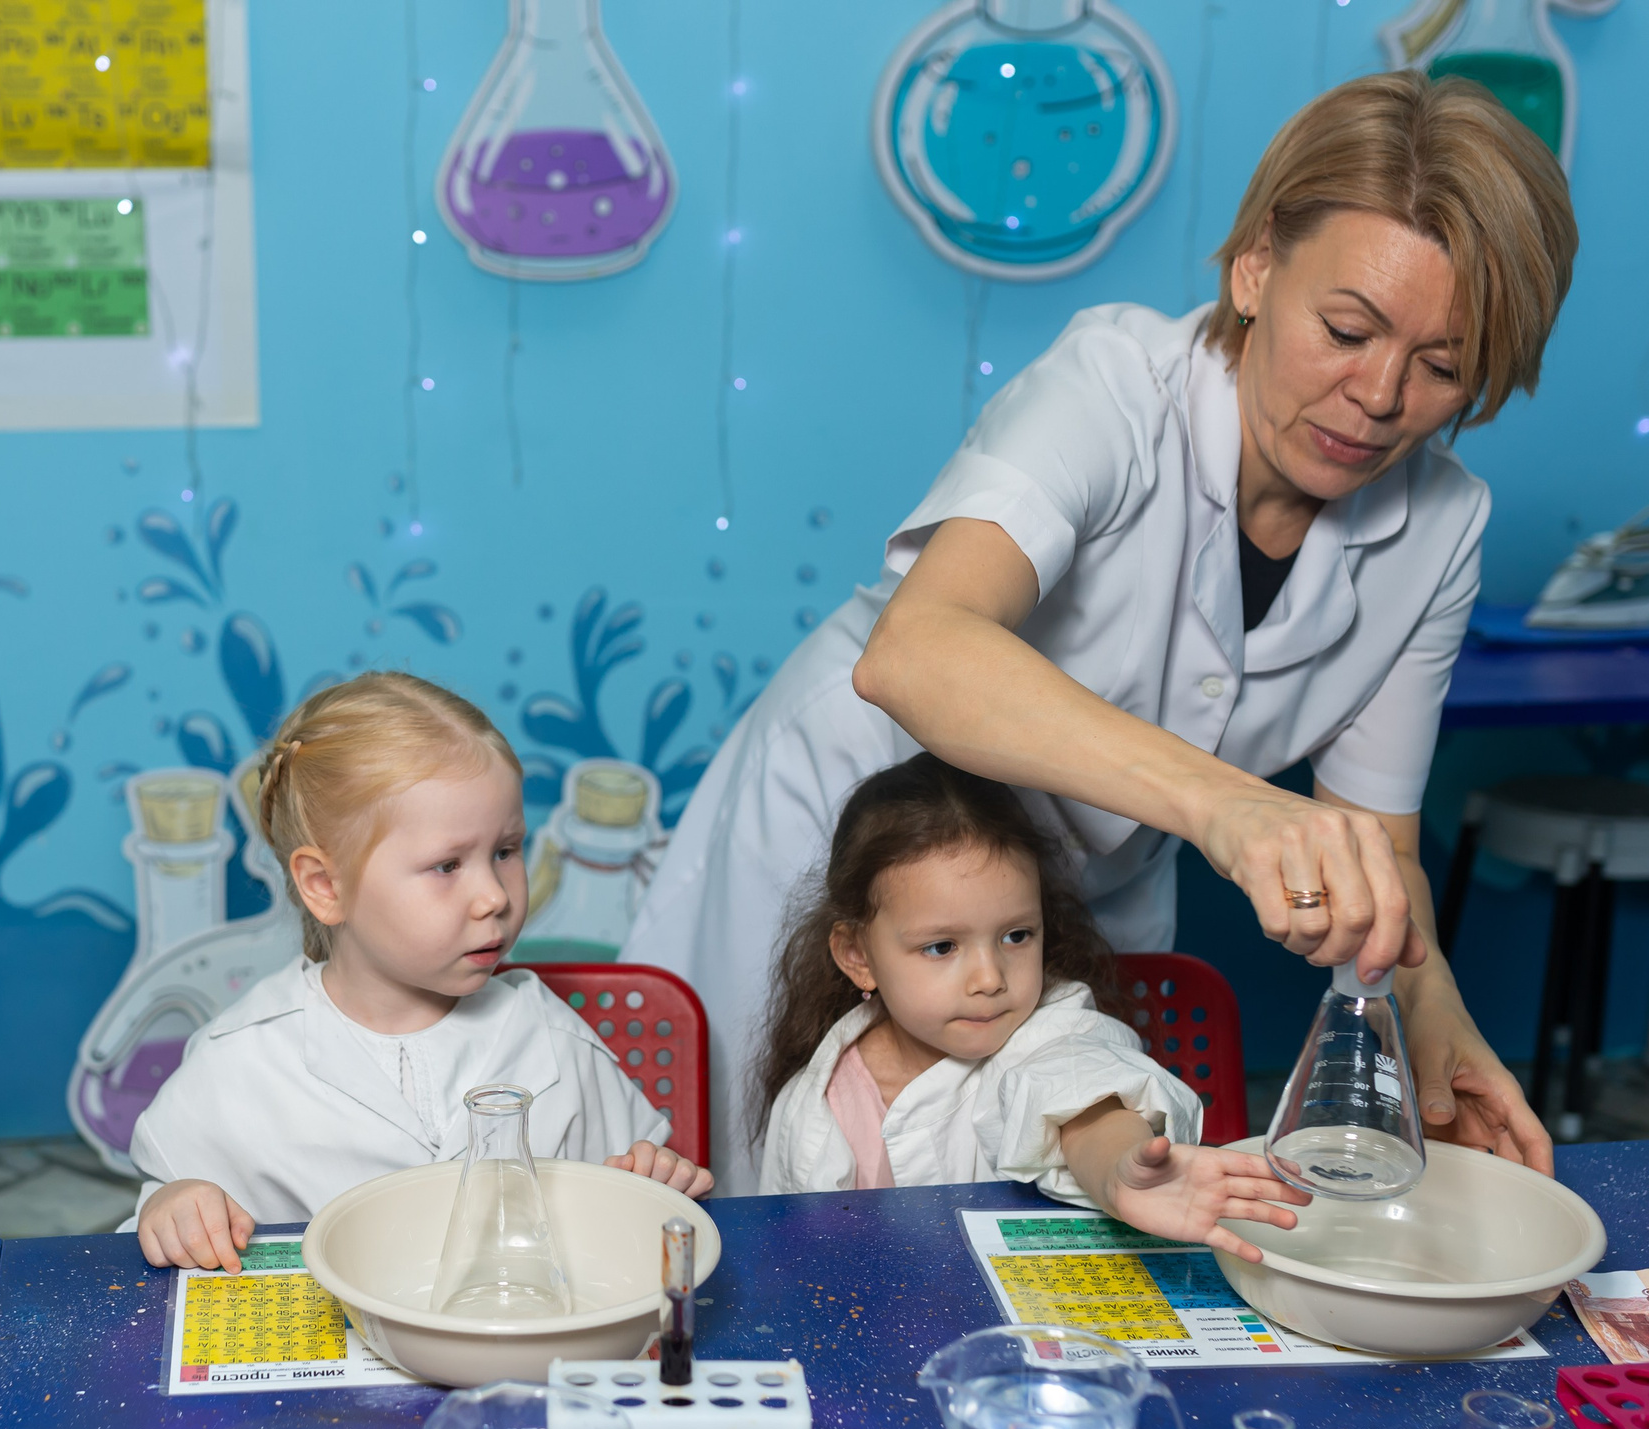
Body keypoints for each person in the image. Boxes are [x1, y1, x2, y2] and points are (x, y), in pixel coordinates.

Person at [628, 72, 1577, 1191]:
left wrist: (1436, 1021)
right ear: (1257, 266)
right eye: (1346, 329)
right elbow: (917, 651)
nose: (1377, 397)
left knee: (1053, 1195)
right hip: (854, 837)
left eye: (1441, 368)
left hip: (1060, 907)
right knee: (747, 1199)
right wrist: (1225, 805)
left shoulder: (1441, 524)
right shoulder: (1114, 384)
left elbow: (1377, 848)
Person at [129, 673, 710, 1272]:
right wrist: (171, 1208)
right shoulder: (237, 1063)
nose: (494, 896)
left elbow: (632, 1205)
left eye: (506, 851)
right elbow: (161, 1221)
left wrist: (653, 1179)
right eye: (447, 865)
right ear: (325, 886)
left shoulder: (551, 1039)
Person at [758, 756, 1303, 1261]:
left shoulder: (1051, 1029)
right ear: (858, 956)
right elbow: (789, 1262)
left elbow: (1081, 1095)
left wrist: (1119, 1170)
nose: (991, 978)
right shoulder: (813, 1101)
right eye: (941, 947)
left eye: (1016, 935)